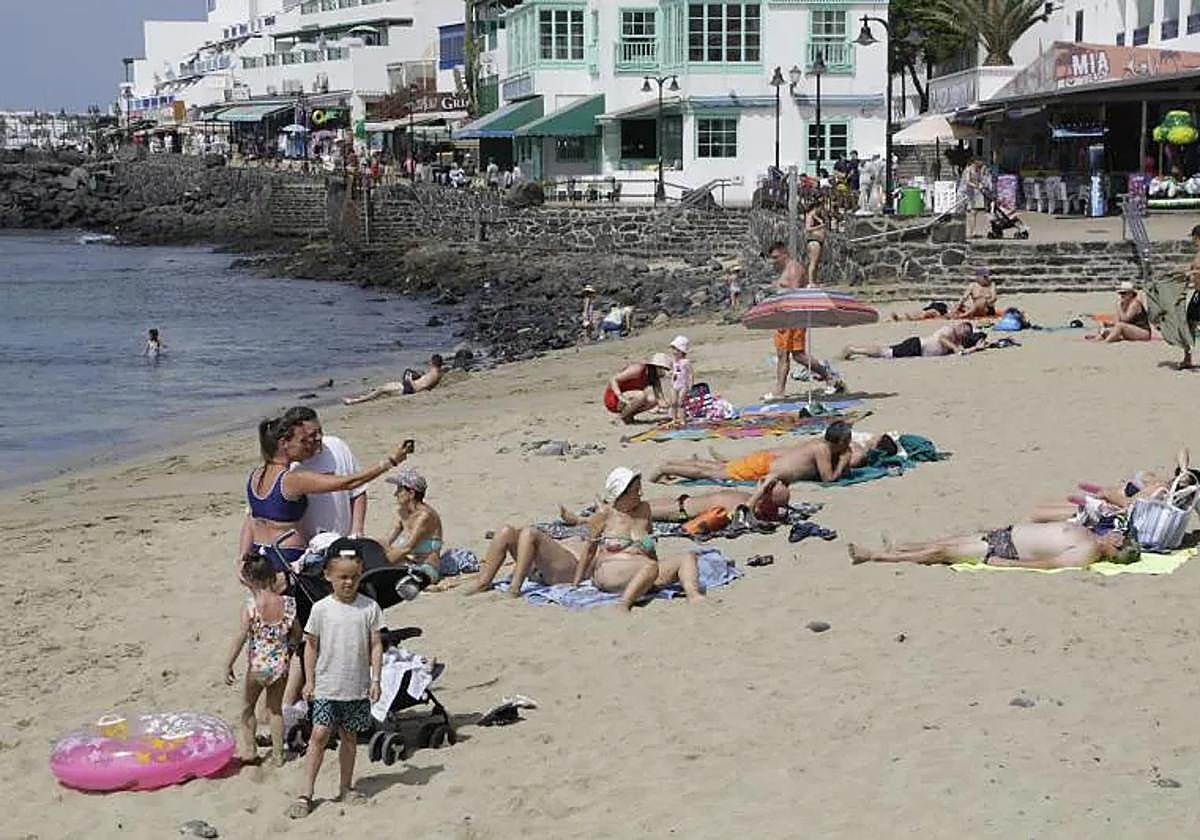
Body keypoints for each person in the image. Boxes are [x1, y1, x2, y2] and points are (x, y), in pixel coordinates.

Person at [468, 468, 704, 610]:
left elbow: (648, 548)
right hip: (567, 562)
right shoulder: (604, 517)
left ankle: (514, 589)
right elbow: (592, 545)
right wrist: (576, 581)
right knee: (506, 531)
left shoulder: (642, 512)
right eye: (635, 491)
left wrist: (576, 582)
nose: (641, 494)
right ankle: (483, 583)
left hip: (572, 565)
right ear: (620, 494)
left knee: (530, 533)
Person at [242, 415, 411, 575]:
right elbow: (349, 483)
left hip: (258, 553)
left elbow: (251, 520)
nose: (306, 446)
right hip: (286, 555)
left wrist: (242, 558)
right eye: (301, 441)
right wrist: (390, 462)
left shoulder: (256, 476)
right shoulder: (291, 479)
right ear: (284, 443)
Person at [290, 550, 383, 819]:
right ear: (329, 576)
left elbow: (376, 645)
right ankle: (306, 792)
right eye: (342, 577)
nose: (348, 582)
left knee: (349, 736)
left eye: (354, 577)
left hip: (356, 686)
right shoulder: (321, 609)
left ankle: (346, 787)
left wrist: (376, 679)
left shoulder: (369, 608)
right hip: (327, 685)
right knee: (319, 734)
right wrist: (309, 681)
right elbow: (310, 646)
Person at [223, 553, 301, 767]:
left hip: (258, 666)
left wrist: (228, 663)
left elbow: (241, 636)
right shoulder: (288, 604)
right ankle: (278, 754)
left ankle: (251, 751)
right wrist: (291, 647)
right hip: (280, 665)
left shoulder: (251, 606)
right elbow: (296, 632)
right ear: (272, 576)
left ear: (250, 581)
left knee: (248, 707)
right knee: (275, 711)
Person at [848, 522, 1140, 569]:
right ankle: (899, 546)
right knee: (945, 542)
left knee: (940, 553)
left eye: (1119, 539)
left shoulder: (1088, 553)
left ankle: (874, 557)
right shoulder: (1092, 536)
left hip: (1005, 551)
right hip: (1006, 535)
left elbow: (1048, 564)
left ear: (1116, 547)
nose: (1115, 534)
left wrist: (1006, 564)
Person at [647, 420, 854, 487]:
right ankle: (665, 467)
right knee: (712, 472)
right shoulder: (822, 450)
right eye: (847, 441)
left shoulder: (819, 444)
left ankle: (669, 465)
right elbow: (828, 479)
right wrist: (844, 462)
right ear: (840, 441)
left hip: (765, 461)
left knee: (716, 468)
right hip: (763, 467)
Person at [763, 241, 845, 400]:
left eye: (776, 257)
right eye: (772, 258)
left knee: (795, 355)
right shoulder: (785, 270)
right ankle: (780, 390)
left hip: (794, 317)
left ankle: (830, 378)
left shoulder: (794, 269)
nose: (774, 261)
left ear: (785, 253)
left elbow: (794, 294)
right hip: (784, 317)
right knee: (786, 354)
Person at [557, 479, 793, 525]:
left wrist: (759, 493)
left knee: (631, 514)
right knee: (638, 505)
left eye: (768, 488)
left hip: (681, 511)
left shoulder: (751, 507)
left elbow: (742, 514)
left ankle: (583, 521)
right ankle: (604, 509)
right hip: (682, 501)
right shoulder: (755, 500)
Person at [381, 469, 442, 567]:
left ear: (411, 493)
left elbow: (408, 548)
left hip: (426, 567)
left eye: (399, 490)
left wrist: (380, 562)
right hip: (408, 563)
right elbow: (386, 542)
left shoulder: (425, 516)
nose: (395, 494)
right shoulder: (402, 512)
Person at [842, 321, 974, 361]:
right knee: (886, 352)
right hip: (917, 346)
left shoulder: (956, 340)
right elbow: (942, 339)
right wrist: (955, 348)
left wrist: (976, 348)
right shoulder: (949, 330)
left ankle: (857, 350)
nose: (964, 335)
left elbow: (962, 351)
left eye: (967, 334)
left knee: (885, 351)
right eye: (965, 331)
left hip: (918, 349)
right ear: (960, 326)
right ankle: (854, 349)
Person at [343, 354, 444, 405]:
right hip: (407, 386)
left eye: (430, 361)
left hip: (408, 388)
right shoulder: (435, 373)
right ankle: (365, 397)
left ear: (432, 362)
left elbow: (421, 387)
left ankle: (354, 401)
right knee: (383, 388)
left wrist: (409, 379)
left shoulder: (433, 374)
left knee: (381, 389)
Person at [603, 354, 672, 423]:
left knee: (653, 400)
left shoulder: (654, 378)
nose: (666, 373)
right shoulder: (638, 369)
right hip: (614, 398)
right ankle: (619, 418)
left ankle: (628, 416)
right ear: (658, 367)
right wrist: (620, 396)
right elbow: (613, 379)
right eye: (665, 369)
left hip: (629, 398)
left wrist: (672, 404)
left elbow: (660, 400)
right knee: (641, 395)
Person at [960, 159, 991, 238]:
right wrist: (976, 186)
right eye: (980, 161)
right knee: (970, 213)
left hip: (974, 193)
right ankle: (969, 232)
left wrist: (982, 184)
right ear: (975, 161)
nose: (981, 163)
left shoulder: (978, 170)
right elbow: (967, 181)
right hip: (966, 193)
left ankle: (972, 232)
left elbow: (980, 179)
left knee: (974, 212)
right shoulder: (969, 169)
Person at [668, 335, 694, 425]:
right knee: (673, 402)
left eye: (675, 350)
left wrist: (691, 384)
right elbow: (672, 370)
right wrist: (671, 373)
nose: (673, 352)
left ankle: (683, 419)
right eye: (673, 349)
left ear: (681, 351)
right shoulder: (673, 361)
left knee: (681, 402)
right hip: (674, 385)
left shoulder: (686, 362)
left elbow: (691, 373)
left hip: (683, 385)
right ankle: (674, 419)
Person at [804, 204, 827, 286]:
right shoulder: (810, 216)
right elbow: (808, 228)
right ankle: (810, 282)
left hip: (819, 240)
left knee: (817, 262)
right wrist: (820, 226)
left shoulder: (818, 217)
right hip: (814, 240)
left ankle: (814, 280)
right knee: (813, 262)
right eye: (820, 208)